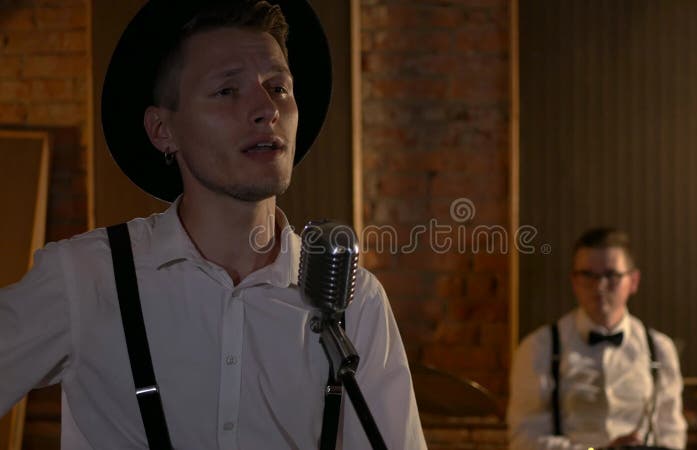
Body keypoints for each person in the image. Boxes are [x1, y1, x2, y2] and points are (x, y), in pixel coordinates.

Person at [0, 1, 427, 448]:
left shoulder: (354, 301)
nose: (267, 109)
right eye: (227, 91)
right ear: (163, 130)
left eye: (278, 87)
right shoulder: (87, 278)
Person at [507, 228, 687, 449]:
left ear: (633, 281)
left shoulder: (660, 349)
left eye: (611, 275)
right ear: (574, 281)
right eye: (587, 276)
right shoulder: (539, 347)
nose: (599, 286)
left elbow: (671, 434)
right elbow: (524, 440)